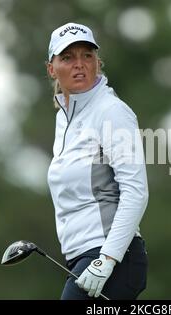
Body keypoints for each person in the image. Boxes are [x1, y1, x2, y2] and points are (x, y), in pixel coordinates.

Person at [45, 22, 149, 300]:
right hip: (83, 257)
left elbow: (136, 191)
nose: (79, 64)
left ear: (97, 63)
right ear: (52, 69)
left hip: (112, 257)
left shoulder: (112, 112)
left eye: (87, 55)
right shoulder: (64, 119)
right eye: (68, 57)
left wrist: (107, 260)